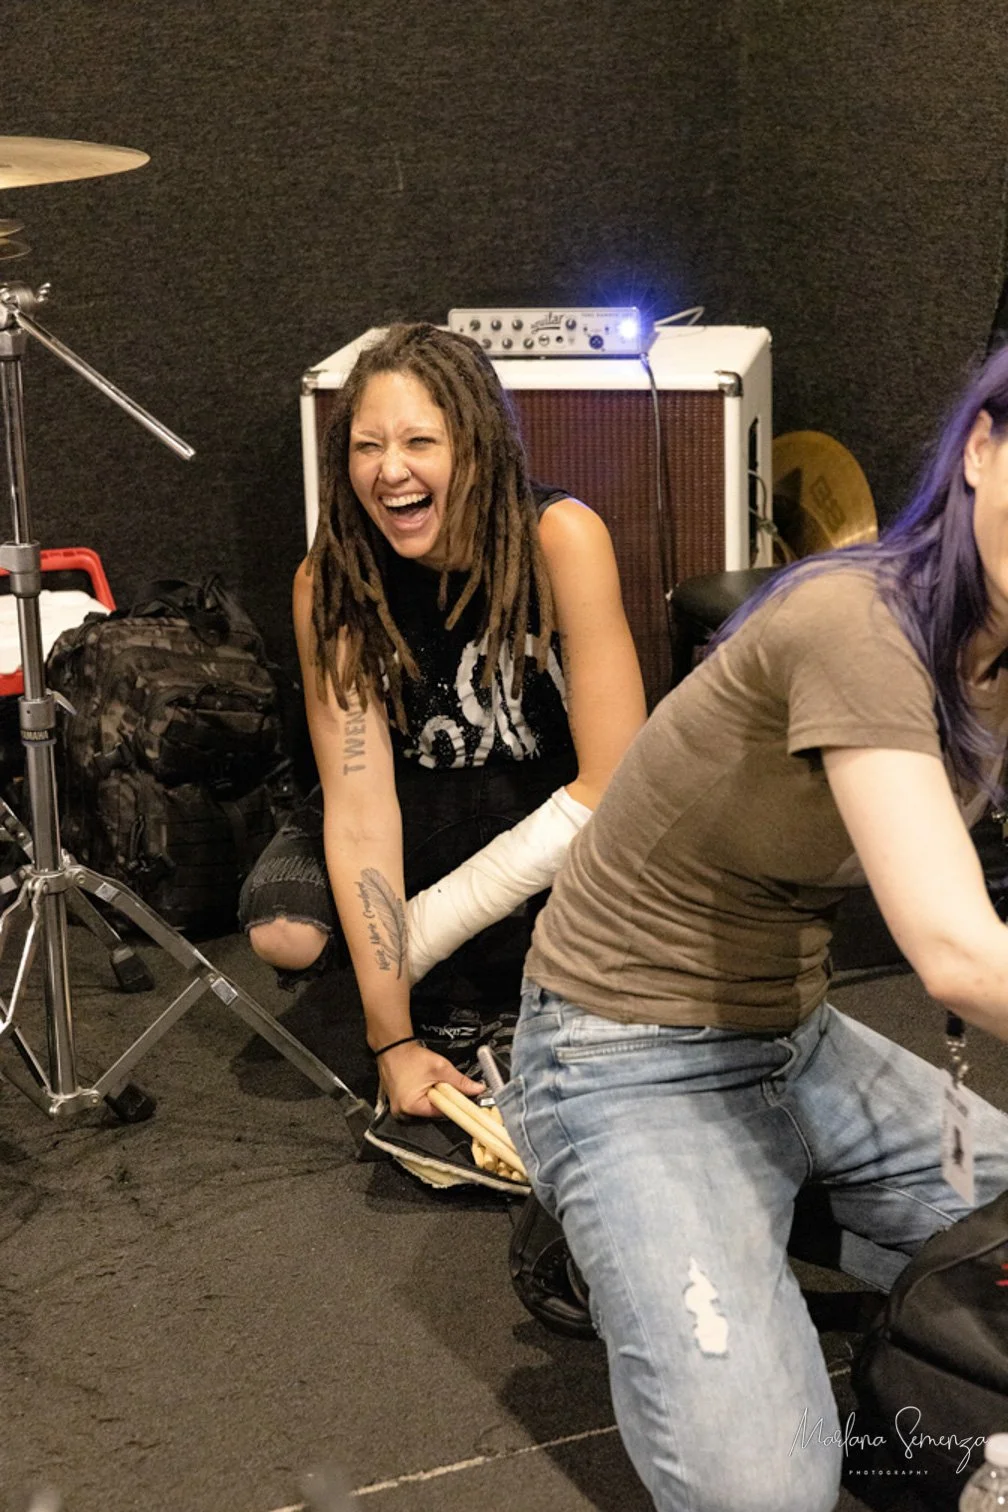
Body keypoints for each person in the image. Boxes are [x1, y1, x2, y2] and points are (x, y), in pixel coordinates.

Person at [496, 341, 1008, 1512]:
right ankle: (629, 1212)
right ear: (981, 449)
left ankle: (761, 1211)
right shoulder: (859, 619)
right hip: (616, 1053)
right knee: (768, 1495)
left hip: (795, 1036)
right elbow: (955, 951)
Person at [239, 321, 646, 1183]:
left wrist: (420, 932)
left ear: (476, 446)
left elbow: (615, 783)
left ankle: (434, 957)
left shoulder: (562, 538)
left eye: (420, 442)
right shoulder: (331, 581)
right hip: (410, 803)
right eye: (368, 446)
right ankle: (415, 970)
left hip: (545, 805)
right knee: (284, 935)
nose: (391, 470)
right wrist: (391, 1040)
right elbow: (358, 810)